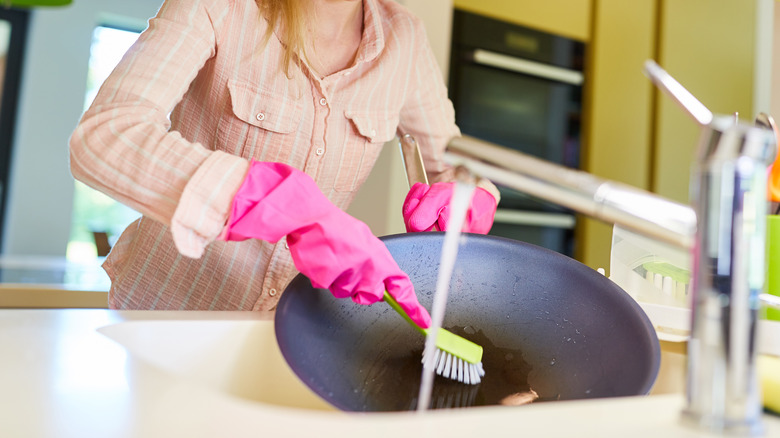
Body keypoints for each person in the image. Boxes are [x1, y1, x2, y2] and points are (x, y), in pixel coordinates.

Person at [68, 0, 499, 327]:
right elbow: (105, 137)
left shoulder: (405, 38)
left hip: (287, 332)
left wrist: (469, 193)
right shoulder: (222, 7)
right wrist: (262, 197)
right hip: (166, 318)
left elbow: (450, 161)